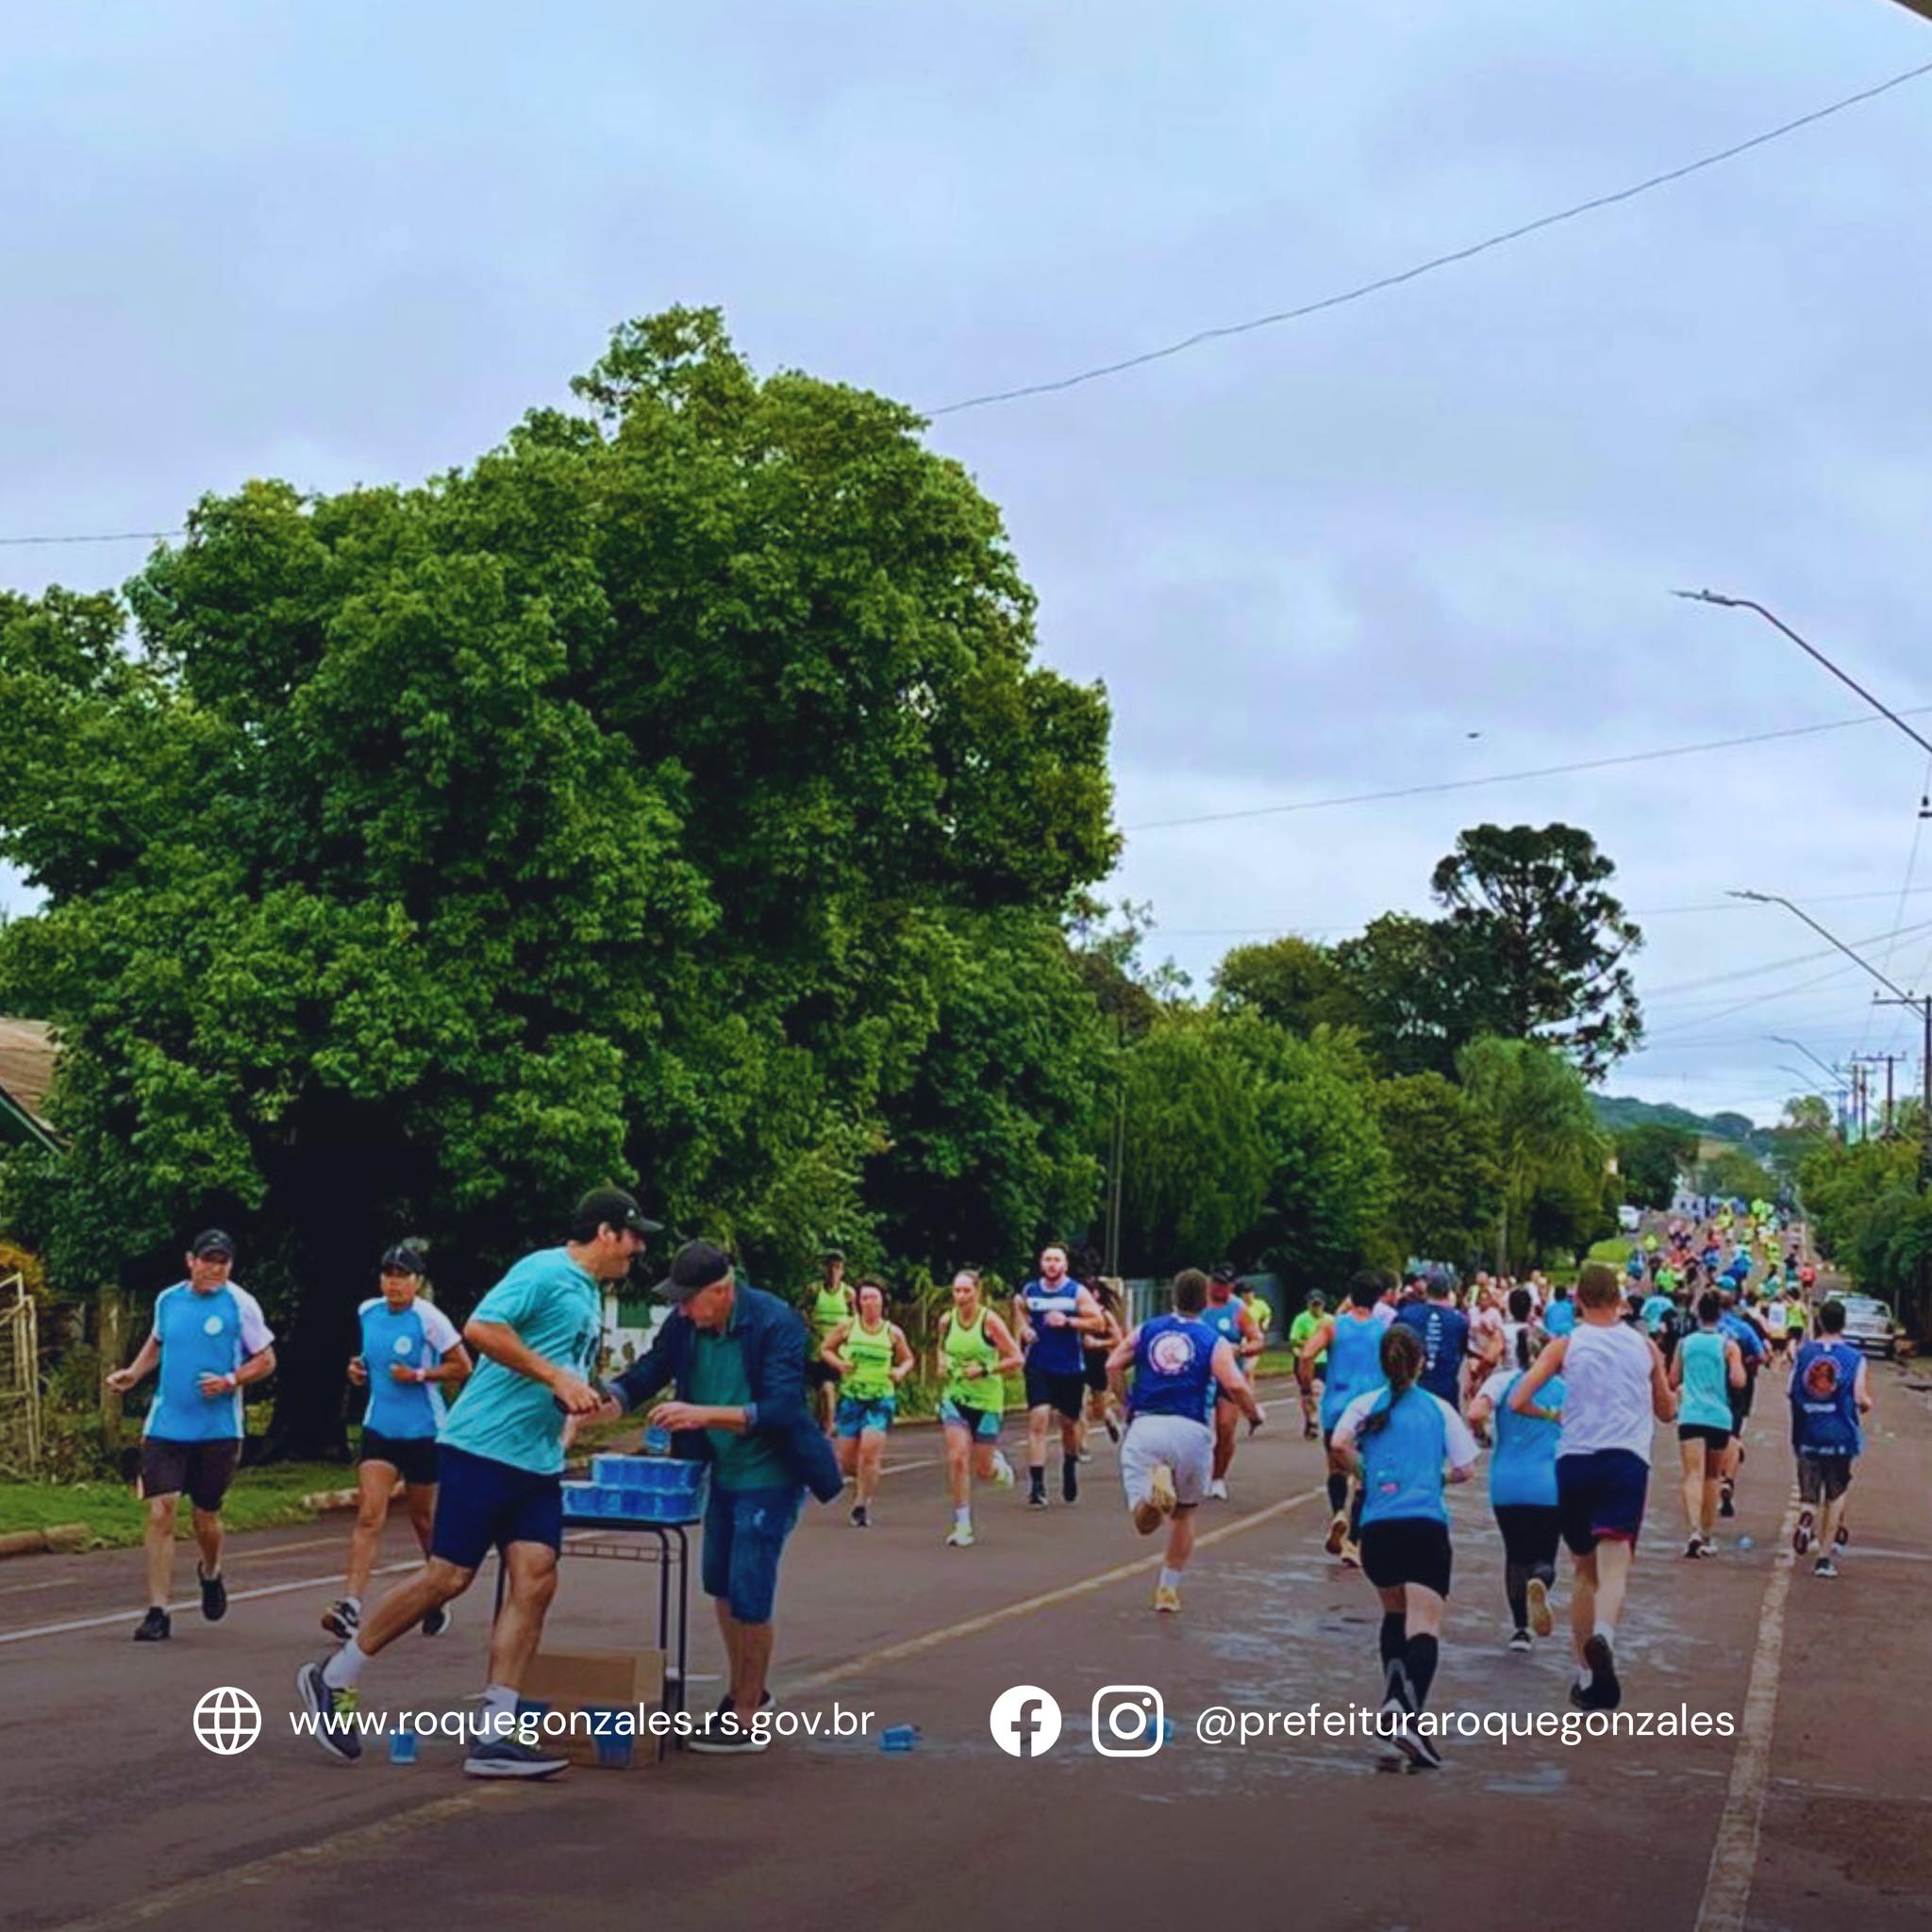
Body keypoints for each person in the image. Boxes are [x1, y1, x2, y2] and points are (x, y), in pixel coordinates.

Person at [298, 1188, 656, 1775]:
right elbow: (483, 1329)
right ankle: (334, 1676)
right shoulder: (544, 1271)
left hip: (536, 1461)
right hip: (481, 1448)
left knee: (536, 1579)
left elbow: (561, 1374)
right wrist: (552, 1378)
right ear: (606, 1232)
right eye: (634, 1237)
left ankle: (497, 1731)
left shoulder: (591, 1295)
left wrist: (572, 1410)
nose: (638, 1250)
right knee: (448, 1577)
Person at [604, 1239, 844, 1753]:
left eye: (690, 1299)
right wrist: (610, 1399)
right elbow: (653, 1368)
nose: (682, 1310)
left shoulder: (775, 1322)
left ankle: (747, 1712)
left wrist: (702, 1414)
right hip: (722, 1470)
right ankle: (745, 1690)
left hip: (771, 1470)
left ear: (723, 1291)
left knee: (751, 1586)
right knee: (721, 1583)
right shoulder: (686, 1325)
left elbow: (780, 1407)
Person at [1510, 1260, 1674, 1712]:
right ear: (1619, 1301)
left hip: (1575, 1461)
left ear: (1577, 1300)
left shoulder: (1566, 1344)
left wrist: (1553, 1415)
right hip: (1625, 1460)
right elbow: (1666, 1410)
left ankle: (1586, 1675)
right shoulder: (1644, 1348)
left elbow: (1518, 1398)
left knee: (1584, 1571)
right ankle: (1605, 1634)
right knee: (1615, 1562)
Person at [107, 1230, 276, 1643]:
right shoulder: (168, 1300)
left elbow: (266, 1360)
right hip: (167, 1424)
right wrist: (133, 1372)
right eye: (208, 1260)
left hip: (217, 1429)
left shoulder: (240, 1304)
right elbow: (159, 1342)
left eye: (223, 1261)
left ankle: (211, 1571)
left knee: (206, 1517)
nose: (215, 1269)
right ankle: (157, 1611)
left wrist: (231, 1380)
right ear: (190, 1261)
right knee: (161, 1509)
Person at [1332, 1324, 1478, 1771]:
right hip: (1424, 1526)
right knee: (1425, 1624)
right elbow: (1466, 1467)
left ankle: (1395, 1699)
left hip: (1377, 1529)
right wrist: (1434, 1478)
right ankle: (1409, 1715)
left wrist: (1368, 1470)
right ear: (1420, 1364)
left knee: (1395, 1614)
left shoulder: (1365, 1405)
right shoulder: (1438, 1409)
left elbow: (1338, 1444)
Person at [321, 1245, 472, 1642]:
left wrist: (420, 1374)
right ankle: (351, 1606)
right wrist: (357, 1370)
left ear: (417, 1281)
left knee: (423, 1519)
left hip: (424, 1430)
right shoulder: (367, 1312)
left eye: (403, 1275)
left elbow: (462, 1365)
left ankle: (436, 1591)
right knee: (370, 1515)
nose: (394, 1282)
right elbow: (368, 1362)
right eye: (388, 1274)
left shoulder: (429, 1319)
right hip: (380, 1427)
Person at [1108, 1268, 1263, 1613]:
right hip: (1191, 1430)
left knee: (1143, 1522)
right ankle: (1168, 1589)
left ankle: (1151, 1499)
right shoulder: (1212, 1340)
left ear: (1172, 1297)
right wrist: (1253, 1413)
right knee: (1186, 1513)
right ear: (1204, 1300)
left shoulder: (1148, 1329)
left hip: (1147, 1425)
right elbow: (1234, 1384)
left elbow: (1113, 1363)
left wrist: (1127, 1402)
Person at [1470, 1323, 1563, 1653]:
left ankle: (1520, 1629)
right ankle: (1541, 1578)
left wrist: (1485, 1435)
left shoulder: (1502, 1381)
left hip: (1506, 1481)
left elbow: (1475, 1411)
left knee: (1514, 1554)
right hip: (1549, 1482)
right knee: (1545, 1553)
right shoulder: (1563, 1388)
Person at [1303, 1271, 1389, 1563]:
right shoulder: (1385, 1330)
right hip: (1370, 1407)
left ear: (1350, 1296)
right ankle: (1353, 1541)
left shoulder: (1332, 1326)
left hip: (1336, 1405)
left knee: (1336, 1468)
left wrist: (1306, 1385)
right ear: (1378, 1299)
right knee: (1364, 1476)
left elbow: (1305, 1354)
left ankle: (1338, 1511)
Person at [1013, 1245, 1106, 1507]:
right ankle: (1037, 1486)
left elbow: (1098, 1322)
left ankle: (1069, 1465)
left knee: (1068, 1424)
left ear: (1065, 1265)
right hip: (1038, 1365)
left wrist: (1069, 1322)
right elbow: (1018, 1308)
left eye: (1057, 1260)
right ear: (1041, 1264)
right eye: (1047, 1259)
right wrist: (1023, 1329)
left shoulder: (1076, 1292)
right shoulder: (1030, 1290)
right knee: (1038, 1419)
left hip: (1069, 1368)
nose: (1052, 1264)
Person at [935, 1269, 1022, 1547]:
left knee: (983, 1470)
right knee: (958, 1457)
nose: (960, 1297)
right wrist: (941, 1363)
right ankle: (962, 1525)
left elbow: (1016, 1358)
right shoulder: (947, 1321)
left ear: (977, 1292)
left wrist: (985, 1368)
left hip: (986, 1401)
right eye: (956, 1291)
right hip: (956, 1397)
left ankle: (996, 1467)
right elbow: (941, 1349)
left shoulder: (990, 1322)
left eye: (966, 1291)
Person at [821, 1278, 914, 1528]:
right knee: (846, 1460)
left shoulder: (892, 1332)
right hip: (852, 1398)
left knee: (870, 1453)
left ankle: (862, 1503)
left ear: (883, 1301)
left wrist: (900, 1372)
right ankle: (862, 1480)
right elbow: (826, 1349)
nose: (870, 1303)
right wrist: (839, 1364)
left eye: (874, 1298)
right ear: (858, 1303)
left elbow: (907, 1359)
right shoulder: (847, 1327)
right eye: (865, 1299)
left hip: (880, 1398)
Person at [1789, 1301, 1872, 1580]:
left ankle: (1806, 1515)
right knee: (1836, 1494)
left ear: (1820, 1322)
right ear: (1843, 1323)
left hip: (1808, 1431)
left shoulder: (1804, 1353)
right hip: (1840, 1434)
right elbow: (1860, 1397)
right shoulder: (1855, 1357)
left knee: (1809, 1492)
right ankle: (1823, 1558)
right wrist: (1866, 1404)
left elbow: (1792, 1391)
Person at [1669, 1291, 1744, 1558]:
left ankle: (1693, 1529)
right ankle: (1707, 1535)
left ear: (1699, 1314)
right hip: (1718, 1416)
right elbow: (1738, 1381)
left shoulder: (1685, 1343)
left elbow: (1673, 1377)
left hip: (1690, 1413)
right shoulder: (1728, 1345)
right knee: (1713, 1476)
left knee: (1692, 1474)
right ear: (1720, 1315)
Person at [1200, 1267, 1263, 1499]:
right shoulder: (1199, 1305)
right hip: (1199, 1376)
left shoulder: (1239, 1310)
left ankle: (1218, 1478)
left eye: (1226, 1285)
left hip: (1226, 1376)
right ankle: (1195, 1474)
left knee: (1225, 1428)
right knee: (1196, 1431)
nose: (1221, 1289)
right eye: (1217, 1283)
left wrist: (1242, 1349)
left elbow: (1257, 1340)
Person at [1715, 1292, 1767, 1519]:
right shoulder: (1744, 1328)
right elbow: (1762, 1356)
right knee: (1733, 1435)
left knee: (1711, 1433)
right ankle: (1727, 1479)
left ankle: (1710, 1476)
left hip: (1711, 1384)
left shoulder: (1707, 1327)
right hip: (1740, 1385)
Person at [1393, 1270, 1470, 1409]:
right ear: (1448, 1292)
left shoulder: (1406, 1315)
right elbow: (1462, 1352)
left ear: (1426, 1291)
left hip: (1411, 1389)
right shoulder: (1459, 1321)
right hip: (1445, 1392)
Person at [806, 1251, 856, 1437]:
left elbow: (855, 1318)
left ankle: (828, 1428)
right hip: (817, 1348)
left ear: (842, 1271)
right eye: (830, 1267)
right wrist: (810, 1326)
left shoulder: (848, 1293)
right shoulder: (814, 1290)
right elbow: (802, 1310)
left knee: (828, 1388)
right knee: (820, 1391)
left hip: (837, 1350)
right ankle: (821, 1424)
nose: (833, 1272)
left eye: (837, 1268)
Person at [1080, 1277, 1128, 1447]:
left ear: (1096, 1294)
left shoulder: (1105, 1315)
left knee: (1097, 1409)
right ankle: (1082, 1446)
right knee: (1078, 1405)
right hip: (1079, 1362)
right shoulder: (1076, 1314)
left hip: (1098, 1363)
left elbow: (1118, 1339)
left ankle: (1108, 1417)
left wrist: (1098, 1343)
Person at [1289, 1292, 1327, 1438]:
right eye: (1313, 1305)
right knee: (1306, 1393)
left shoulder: (1329, 1320)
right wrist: (1311, 1344)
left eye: (1319, 1305)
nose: (1316, 1308)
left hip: (1322, 1360)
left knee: (1317, 1389)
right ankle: (1309, 1421)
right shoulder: (1301, 1319)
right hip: (1304, 1359)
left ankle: (1315, 1419)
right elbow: (1293, 1339)